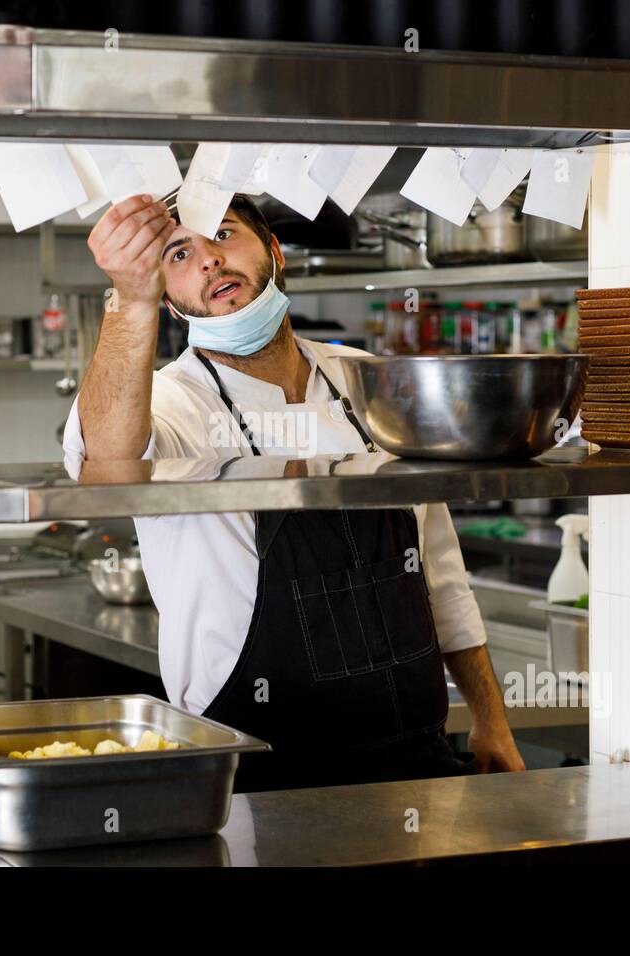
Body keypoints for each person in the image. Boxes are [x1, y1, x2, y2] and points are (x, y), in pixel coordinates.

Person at [62, 192, 525, 791]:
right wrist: (128, 300)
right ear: (167, 299)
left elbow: (440, 572)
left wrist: (491, 717)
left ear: (275, 252)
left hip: (413, 758)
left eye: (224, 235)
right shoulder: (167, 401)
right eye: (179, 253)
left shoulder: (370, 379)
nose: (208, 261)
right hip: (250, 762)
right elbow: (109, 471)